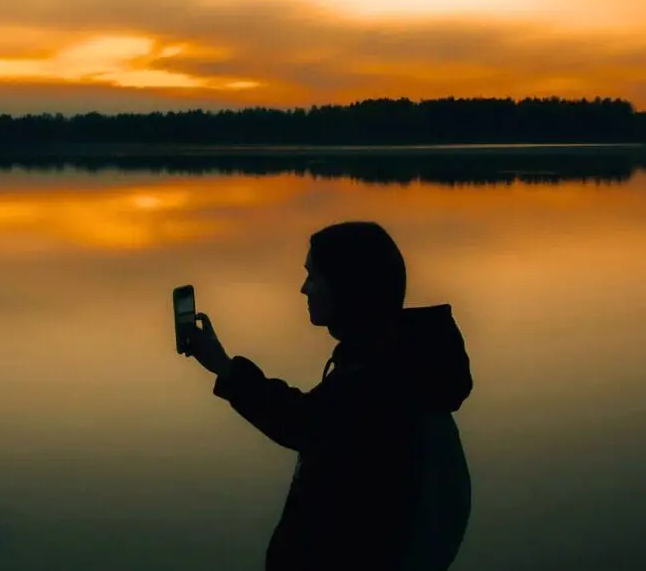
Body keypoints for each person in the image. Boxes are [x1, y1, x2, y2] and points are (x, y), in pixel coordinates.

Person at [184, 221, 473, 571]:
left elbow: (304, 423)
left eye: (313, 276)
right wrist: (225, 367)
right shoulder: (397, 361)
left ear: (347, 286)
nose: (304, 288)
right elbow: (314, 419)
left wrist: (226, 370)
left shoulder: (382, 378)